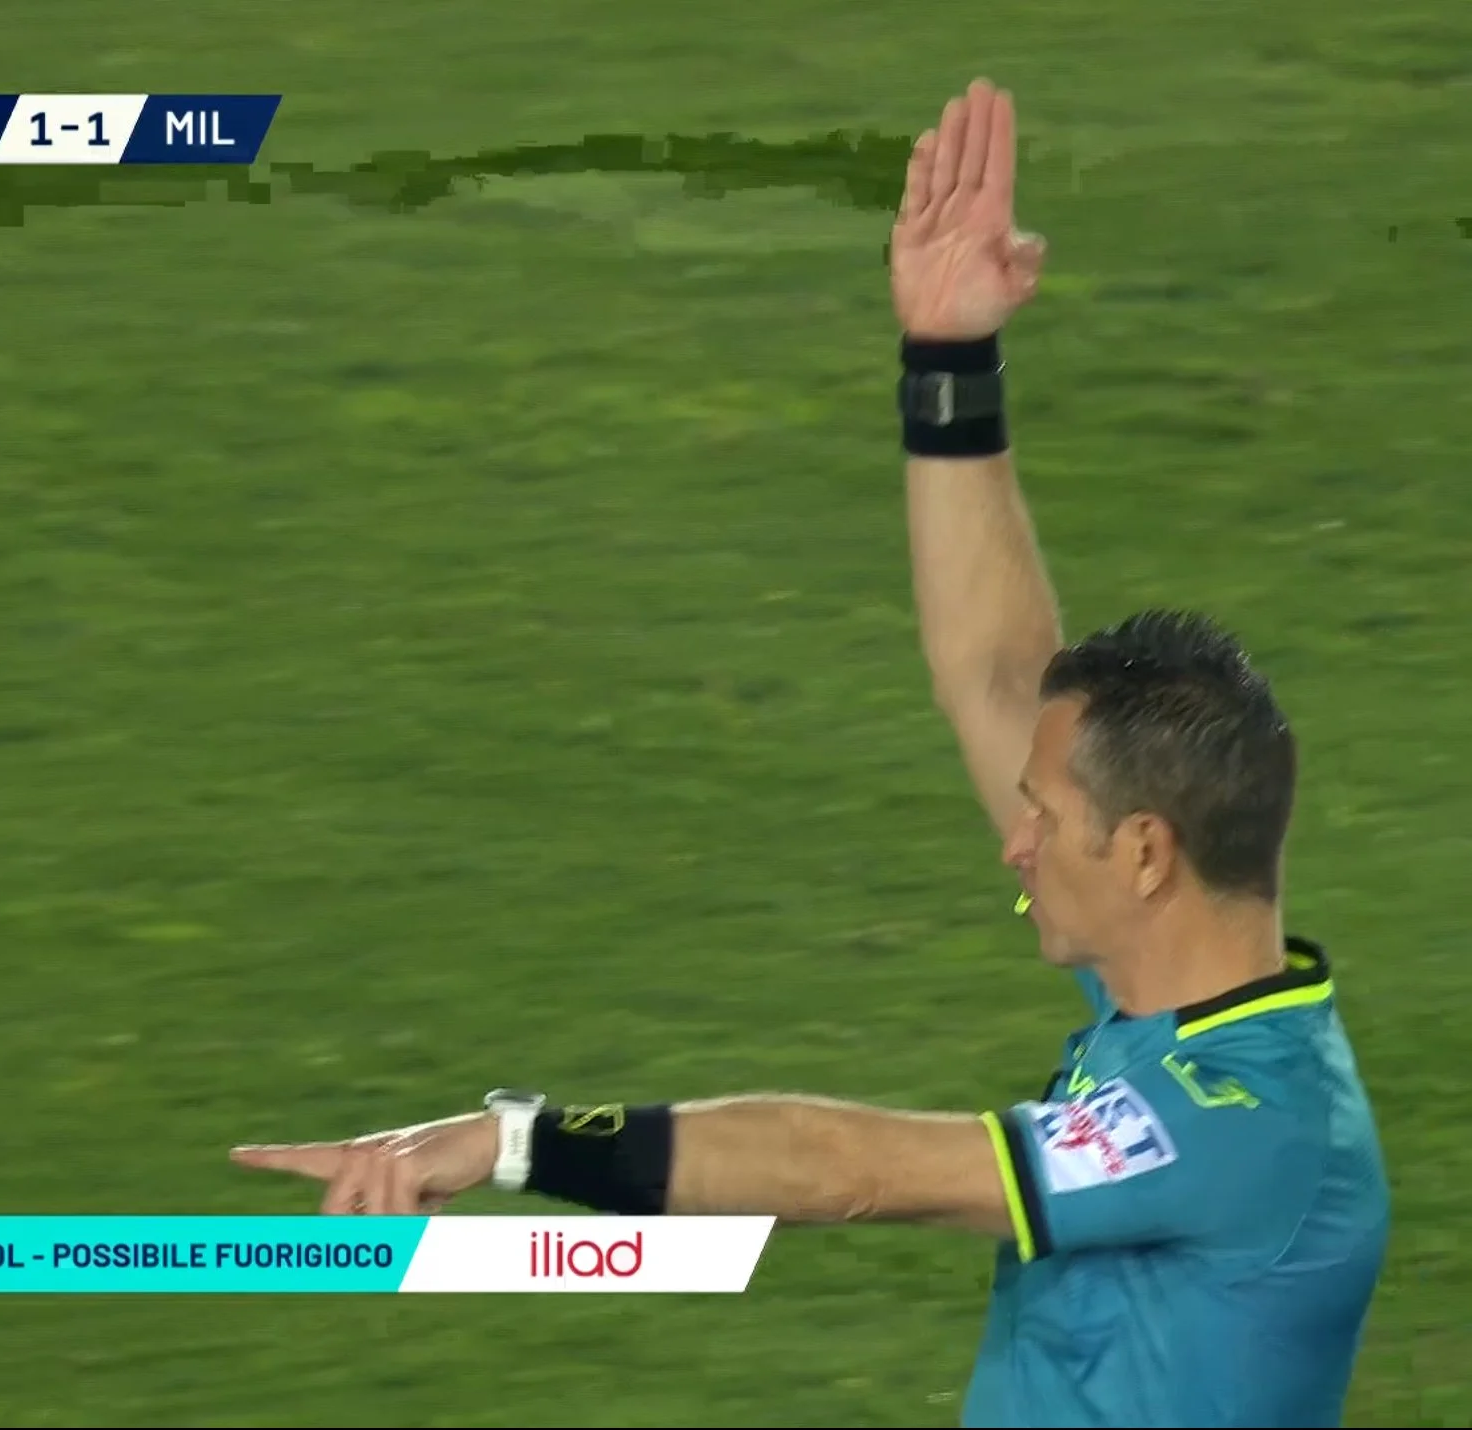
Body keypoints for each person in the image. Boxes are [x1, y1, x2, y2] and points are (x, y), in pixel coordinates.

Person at [230, 78, 1390, 1428]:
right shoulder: (1185, 1002)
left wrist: (511, 1140)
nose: (1012, 846)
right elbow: (993, 671)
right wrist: (949, 355)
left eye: (1042, 819)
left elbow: (848, 1170)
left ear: (1145, 851)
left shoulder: (1233, 1127)